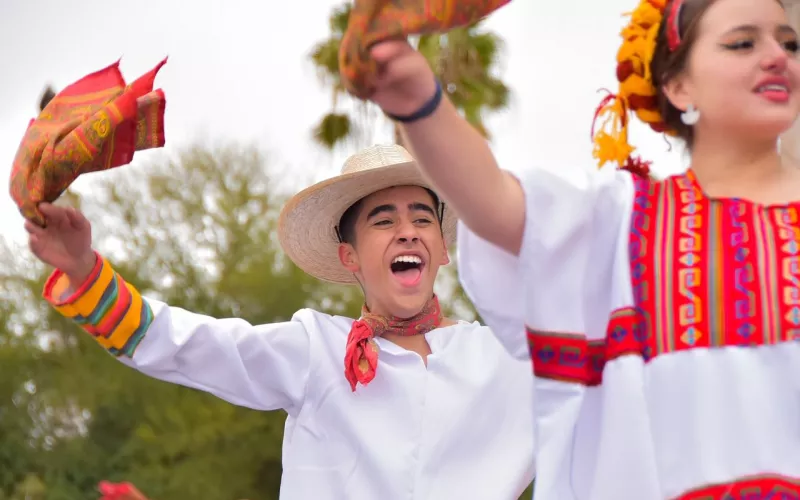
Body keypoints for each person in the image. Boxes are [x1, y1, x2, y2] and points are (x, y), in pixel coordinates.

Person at [357, 0, 800, 498]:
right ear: (678, 86)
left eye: (790, 43)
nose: (776, 57)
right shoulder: (620, 221)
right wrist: (417, 98)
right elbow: (493, 200)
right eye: (743, 42)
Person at [26, 144, 535, 500]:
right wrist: (84, 271)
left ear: (442, 249)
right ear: (349, 256)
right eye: (384, 221)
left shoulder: (504, 360)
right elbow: (187, 344)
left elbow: (601, 390)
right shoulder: (316, 347)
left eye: (422, 218)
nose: (407, 231)